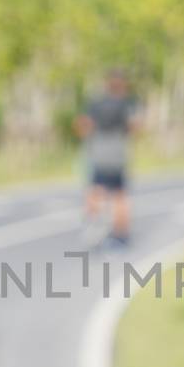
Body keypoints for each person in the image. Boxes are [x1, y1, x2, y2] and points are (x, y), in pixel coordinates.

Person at [74, 68, 139, 248]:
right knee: (119, 194)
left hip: (98, 151)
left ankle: (94, 222)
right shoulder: (127, 104)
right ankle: (121, 234)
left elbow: (82, 124)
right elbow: (135, 126)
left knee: (95, 189)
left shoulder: (96, 103)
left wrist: (89, 137)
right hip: (117, 153)